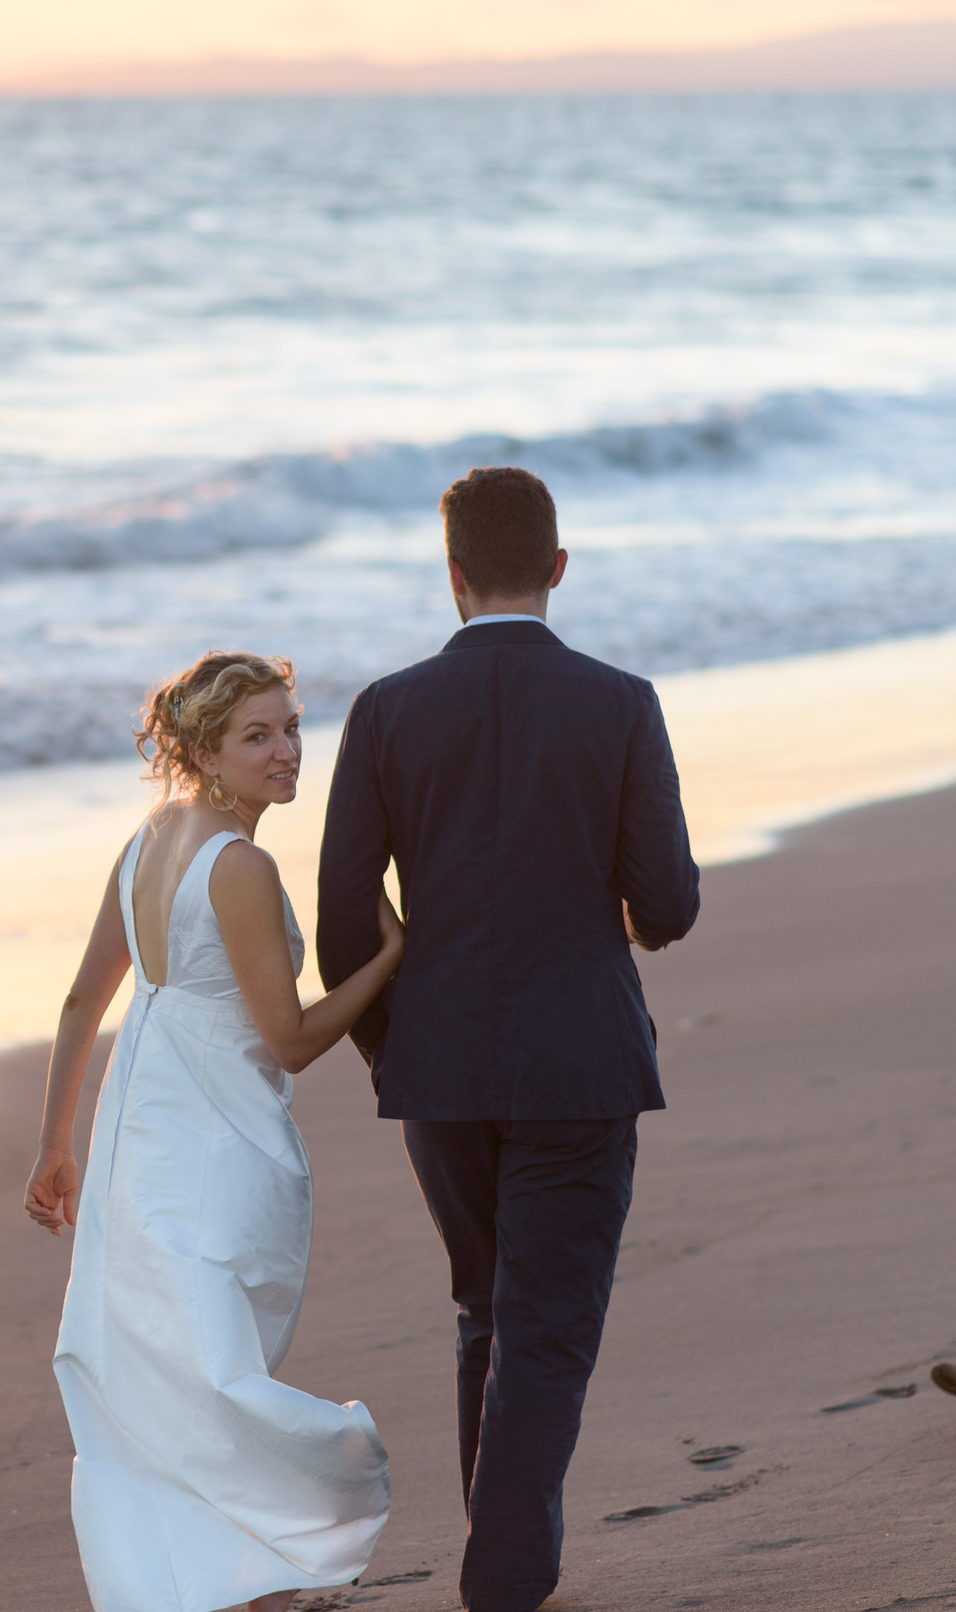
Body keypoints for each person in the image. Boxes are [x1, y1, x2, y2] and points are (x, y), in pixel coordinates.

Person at [315, 466, 701, 1612]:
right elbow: (666, 904)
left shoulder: (385, 708)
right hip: (578, 1057)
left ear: (451, 573)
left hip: (437, 1071)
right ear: (559, 568)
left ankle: (506, 1555)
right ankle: (504, 1577)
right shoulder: (620, 700)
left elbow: (342, 924)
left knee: (489, 1304)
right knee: (545, 1325)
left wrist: (396, 1049)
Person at [27, 651, 407, 1612]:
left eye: (290, 726)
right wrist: (392, 958)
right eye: (258, 735)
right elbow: (288, 1040)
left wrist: (58, 1144)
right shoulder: (237, 864)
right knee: (211, 1361)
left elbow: (83, 999)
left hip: (138, 1123)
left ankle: (210, 1576)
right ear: (203, 749)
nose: (287, 751)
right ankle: (253, 1557)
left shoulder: (148, 838)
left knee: (173, 1356)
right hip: (210, 1133)